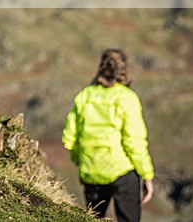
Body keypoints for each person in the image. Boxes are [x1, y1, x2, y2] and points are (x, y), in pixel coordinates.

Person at [62, 49, 155, 221]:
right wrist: (147, 174)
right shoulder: (127, 98)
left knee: (93, 218)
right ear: (124, 70)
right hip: (122, 172)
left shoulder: (84, 96)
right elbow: (134, 142)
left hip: (90, 170)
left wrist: (80, 161)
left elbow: (70, 138)